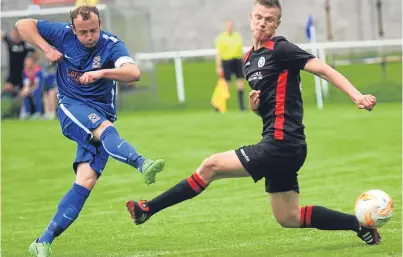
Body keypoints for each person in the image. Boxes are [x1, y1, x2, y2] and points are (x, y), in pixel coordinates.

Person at [126, 0, 379, 247]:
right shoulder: (248, 59)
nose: (262, 23)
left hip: (282, 143)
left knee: (210, 165)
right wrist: (256, 109)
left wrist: (357, 95)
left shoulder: (281, 49)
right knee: (288, 218)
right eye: (258, 17)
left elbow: (324, 69)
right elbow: (273, 107)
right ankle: (360, 226)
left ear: (277, 24)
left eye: (269, 20)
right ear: (250, 18)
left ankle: (148, 208)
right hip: (286, 146)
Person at [16, 5, 165, 256]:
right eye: (83, 32)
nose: (89, 36)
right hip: (71, 107)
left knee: (85, 182)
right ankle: (142, 163)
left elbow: (133, 72)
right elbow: (23, 25)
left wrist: (103, 73)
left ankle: (42, 241)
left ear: (100, 25)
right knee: (104, 128)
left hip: (100, 112)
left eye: (93, 30)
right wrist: (48, 49)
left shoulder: (110, 44)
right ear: (73, 29)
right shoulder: (61, 34)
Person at [1, 28, 36, 118]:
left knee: (25, 93)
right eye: (14, 33)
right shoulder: (10, 42)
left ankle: (25, 112)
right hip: (12, 75)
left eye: (17, 33)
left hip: (22, 75)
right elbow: (2, 35)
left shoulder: (24, 45)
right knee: (5, 91)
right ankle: (5, 113)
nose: (15, 34)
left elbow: (34, 53)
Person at [215, 20, 246, 111]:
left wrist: (244, 62)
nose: (230, 27)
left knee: (240, 82)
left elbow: (240, 51)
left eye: (231, 25)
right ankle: (219, 106)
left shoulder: (237, 36)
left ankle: (241, 106)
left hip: (237, 60)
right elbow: (218, 53)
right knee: (226, 84)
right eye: (228, 25)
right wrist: (219, 66)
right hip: (226, 61)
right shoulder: (221, 38)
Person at [20, 55, 44, 119]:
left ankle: (38, 112)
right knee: (25, 94)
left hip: (40, 88)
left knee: (36, 92)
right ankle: (27, 113)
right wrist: (25, 90)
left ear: (33, 62)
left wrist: (29, 90)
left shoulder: (38, 70)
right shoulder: (25, 72)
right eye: (26, 63)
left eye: (29, 62)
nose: (28, 64)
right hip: (31, 88)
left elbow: (37, 84)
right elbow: (26, 84)